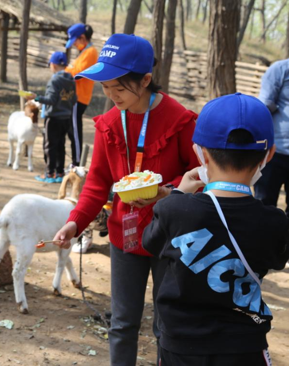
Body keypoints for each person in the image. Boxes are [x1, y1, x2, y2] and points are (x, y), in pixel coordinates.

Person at [52, 34, 199, 364]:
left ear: (145, 80)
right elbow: (97, 183)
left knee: (167, 326)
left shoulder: (180, 120)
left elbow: (200, 173)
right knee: (122, 324)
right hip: (125, 235)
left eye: (118, 88)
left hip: (170, 238)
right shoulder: (108, 124)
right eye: (104, 86)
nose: (109, 95)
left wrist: (169, 192)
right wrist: (75, 222)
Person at [143, 93, 289, 366]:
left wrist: (177, 194)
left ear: (200, 153)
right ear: (268, 155)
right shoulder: (275, 221)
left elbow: (151, 242)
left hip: (180, 349)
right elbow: (277, 258)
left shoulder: (175, 210)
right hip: (245, 348)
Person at [28, 51, 77, 184]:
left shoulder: (55, 80)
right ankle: (60, 172)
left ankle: (50, 173)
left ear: (54, 65)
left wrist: (36, 97)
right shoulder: (71, 79)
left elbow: (51, 99)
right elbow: (74, 100)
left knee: (49, 145)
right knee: (61, 144)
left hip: (54, 118)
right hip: (66, 117)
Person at [254, 59, 289, 214]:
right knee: (263, 204)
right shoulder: (281, 69)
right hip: (275, 152)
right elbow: (265, 105)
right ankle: (261, 239)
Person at [65, 23, 99, 167]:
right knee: (71, 130)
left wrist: (65, 72)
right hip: (74, 98)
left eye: (75, 41)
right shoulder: (84, 52)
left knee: (75, 131)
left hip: (78, 98)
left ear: (82, 37)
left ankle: (77, 163)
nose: (74, 45)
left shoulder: (90, 52)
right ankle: (75, 161)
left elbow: (75, 73)